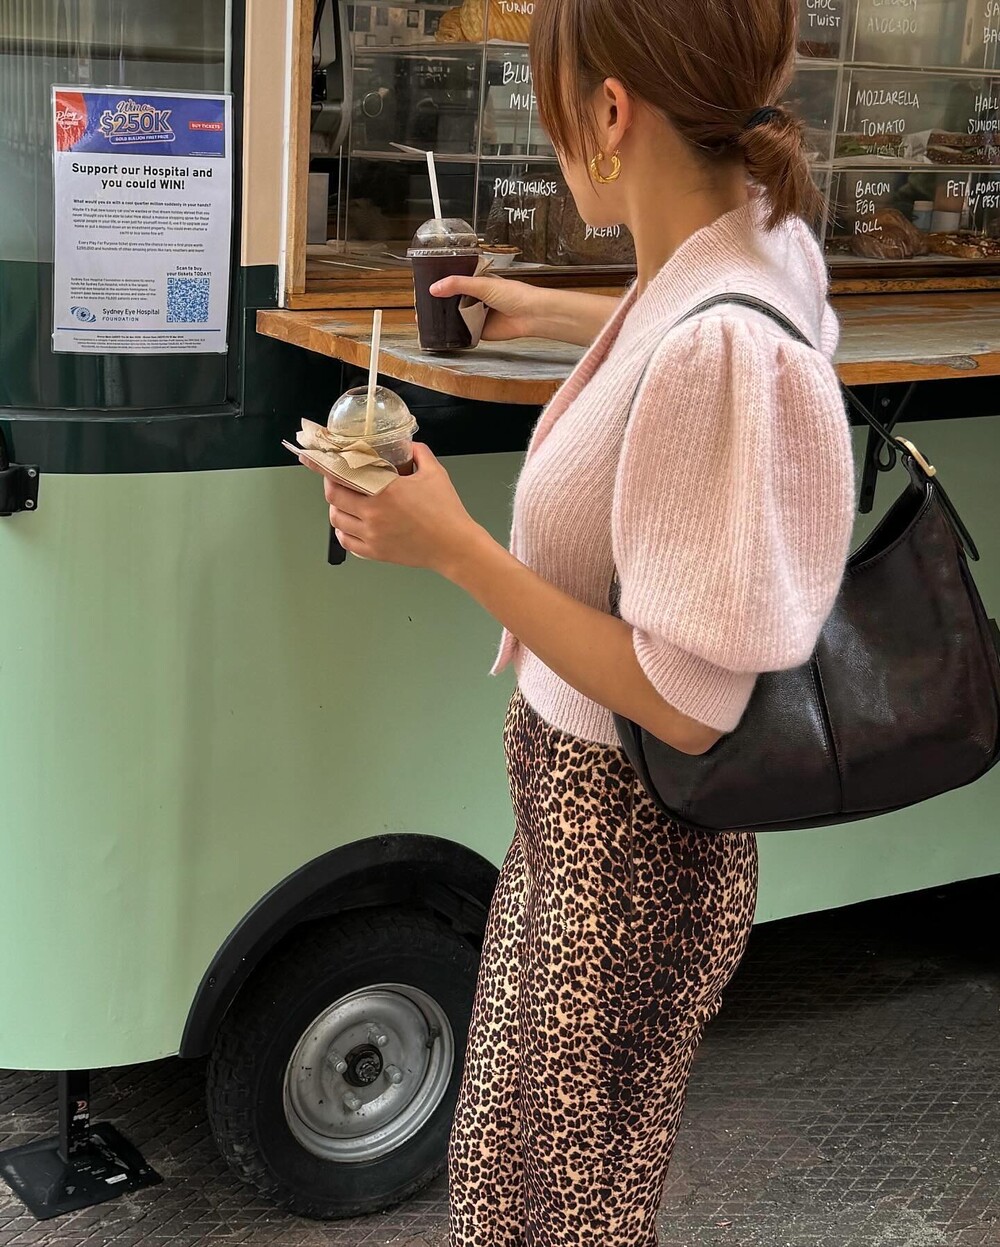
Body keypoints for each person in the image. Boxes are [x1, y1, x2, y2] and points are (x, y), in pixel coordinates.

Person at [304, 0, 855, 1241]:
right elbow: (715, 310)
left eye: (550, 103)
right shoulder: (756, 240)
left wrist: (452, 547)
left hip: (622, 856)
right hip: (598, 842)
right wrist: (552, 311)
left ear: (610, 112)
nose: (549, 137)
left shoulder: (719, 340)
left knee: (531, 1213)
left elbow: (687, 705)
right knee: (568, 1202)